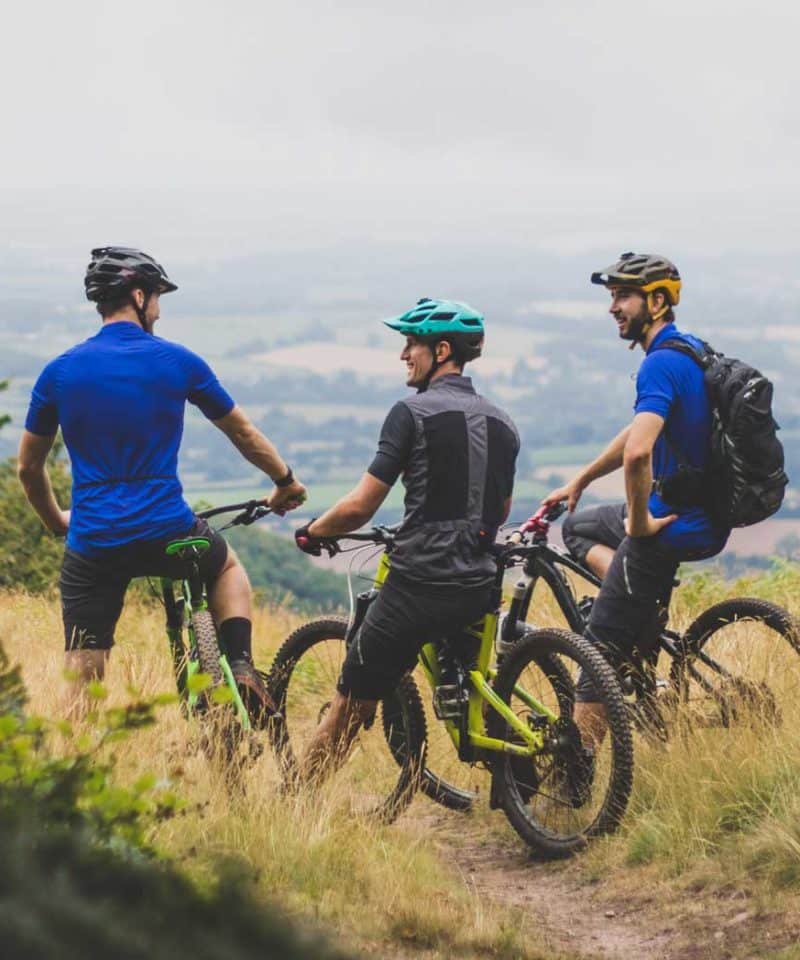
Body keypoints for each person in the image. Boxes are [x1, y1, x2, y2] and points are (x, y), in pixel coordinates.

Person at [17, 246, 306, 710]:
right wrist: (285, 481)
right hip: (167, 530)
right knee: (227, 567)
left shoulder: (59, 373)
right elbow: (242, 432)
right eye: (156, 297)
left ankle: (79, 758)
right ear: (137, 296)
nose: (158, 308)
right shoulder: (178, 361)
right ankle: (242, 666)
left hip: (95, 542)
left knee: (83, 673)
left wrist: (56, 521)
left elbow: (28, 468)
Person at [294, 298, 520, 779]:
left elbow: (361, 506)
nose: (403, 354)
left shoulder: (410, 413)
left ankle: (294, 800)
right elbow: (498, 511)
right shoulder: (504, 423)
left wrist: (314, 531)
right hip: (479, 582)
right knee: (474, 682)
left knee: (350, 700)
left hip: (418, 585)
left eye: (411, 344)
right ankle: (516, 773)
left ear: (441, 350)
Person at [543, 252, 731, 742]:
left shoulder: (660, 365)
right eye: (611, 297)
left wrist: (641, 524)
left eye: (623, 297)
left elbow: (639, 454)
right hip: (700, 510)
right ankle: (639, 612)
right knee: (578, 527)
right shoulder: (686, 350)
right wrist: (581, 480)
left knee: (597, 650)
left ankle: (576, 774)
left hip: (672, 524)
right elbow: (637, 433)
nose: (613, 308)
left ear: (658, 300)